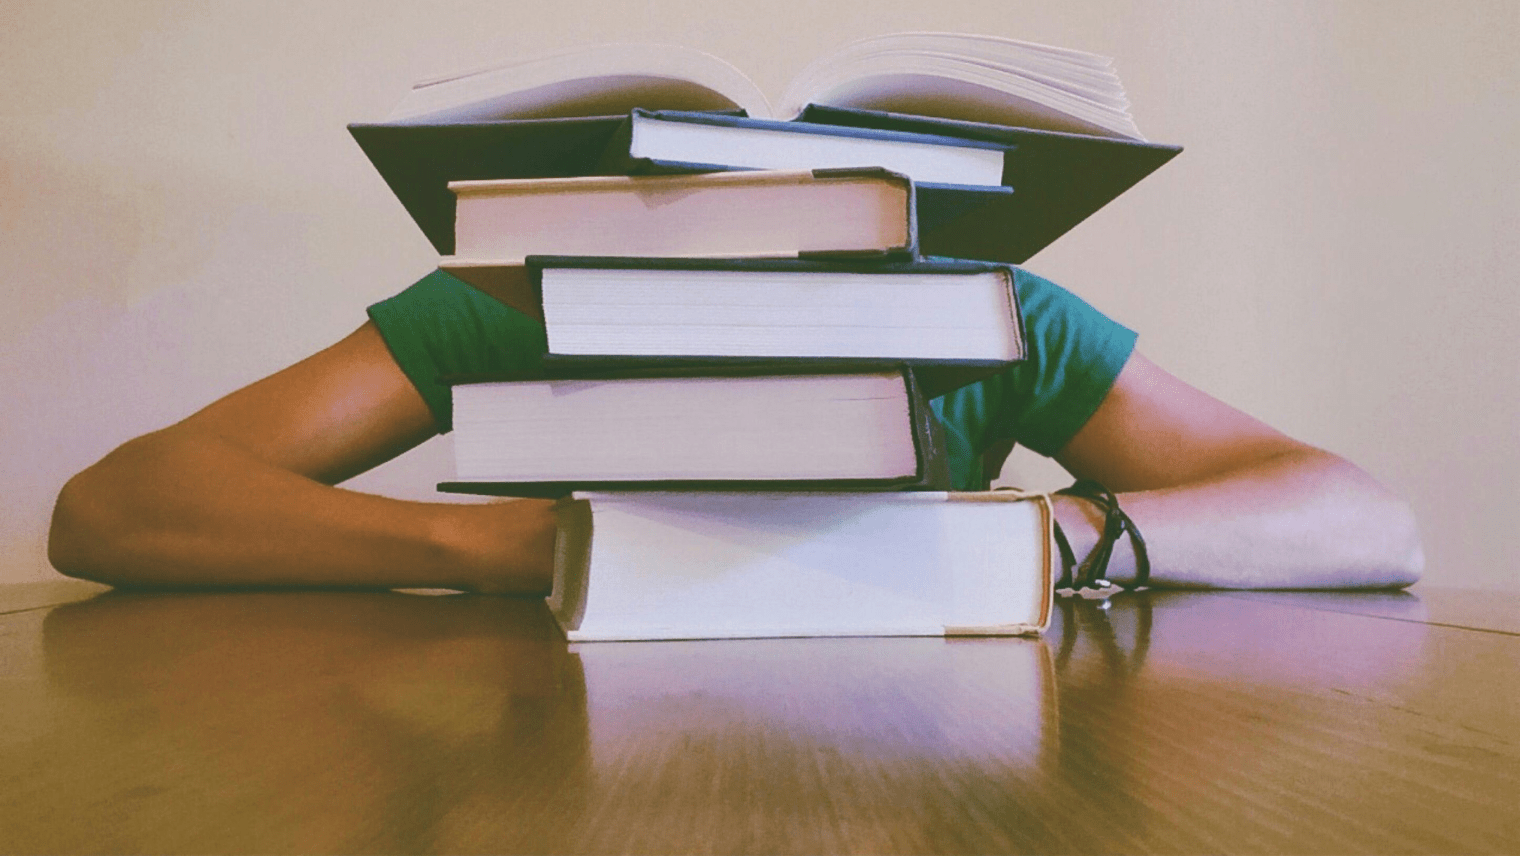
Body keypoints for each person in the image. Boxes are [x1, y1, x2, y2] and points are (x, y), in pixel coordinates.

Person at [47, 267, 1423, 593]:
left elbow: (1365, 517)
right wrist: (522, 547)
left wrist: (1056, 536)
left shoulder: (987, 316)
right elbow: (113, 507)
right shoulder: (521, 297)